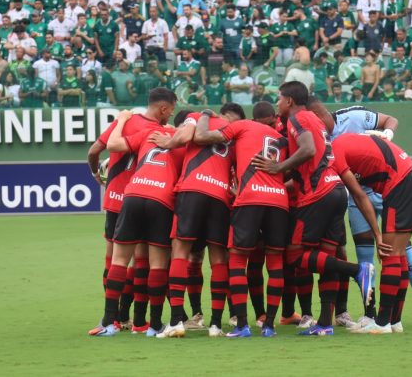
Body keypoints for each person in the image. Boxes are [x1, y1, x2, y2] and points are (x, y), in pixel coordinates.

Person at [251, 81, 376, 336]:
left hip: (318, 195)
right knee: (327, 260)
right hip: (335, 191)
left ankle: (357, 271)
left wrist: (278, 167)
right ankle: (325, 324)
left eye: (279, 98)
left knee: (295, 257)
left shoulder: (298, 118)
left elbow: (308, 150)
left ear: (289, 101)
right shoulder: (315, 121)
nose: (277, 103)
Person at [147, 103, 246, 338]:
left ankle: (176, 322)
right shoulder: (233, 133)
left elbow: (184, 137)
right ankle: (216, 325)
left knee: (180, 251)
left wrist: (168, 142)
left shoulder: (197, 117)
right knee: (219, 258)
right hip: (221, 195)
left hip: (192, 189)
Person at [193, 104, 291, 338]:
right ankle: (269, 326)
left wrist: (205, 114)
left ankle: (242, 326)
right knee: (275, 262)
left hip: (249, 199)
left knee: (237, 260)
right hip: (279, 201)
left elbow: (201, 136)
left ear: (252, 118)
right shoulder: (281, 139)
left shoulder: (242, 126)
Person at [87, 88, 177, 337]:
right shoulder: (169, 134)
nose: (171, 114)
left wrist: (96, 174)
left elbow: (95, 150)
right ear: (163, 108)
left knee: (114, 261)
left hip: (124, 197)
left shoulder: (131, 124)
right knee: (147, 263)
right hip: (156, 198)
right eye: (171, 110)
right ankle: (144, 322)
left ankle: (113, 320)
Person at [331, 132, 412, 333]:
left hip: (400, 185)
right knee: (398, 254)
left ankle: (382, 323)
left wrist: (377, 234)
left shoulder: (335, 153)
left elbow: (359, 196)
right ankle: (394, 321)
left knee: (390, 254)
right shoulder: (347, 142)